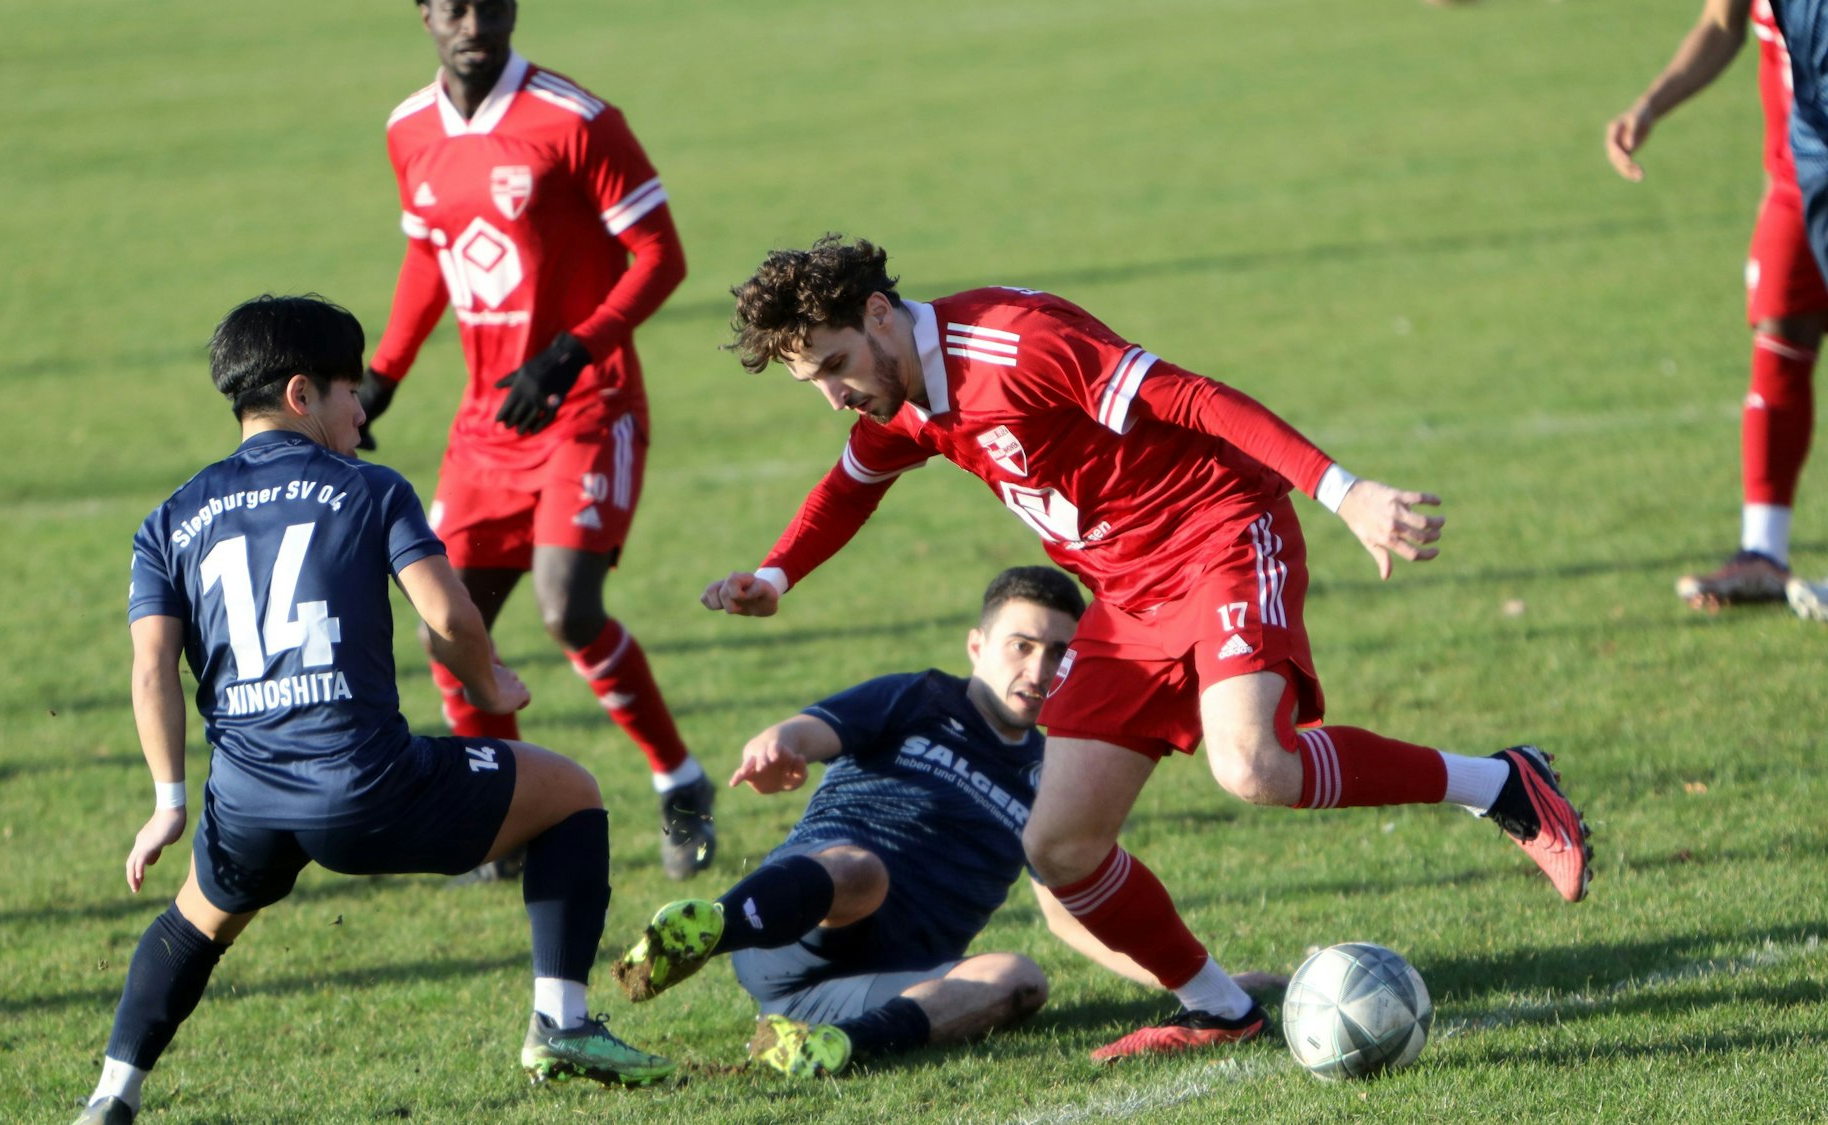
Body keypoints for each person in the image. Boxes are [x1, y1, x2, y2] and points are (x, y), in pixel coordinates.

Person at [700, 235, 1595, 1062]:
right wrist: (775, 576)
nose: (835, 395)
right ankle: (1220, 1009)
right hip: (1128, 598)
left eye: (837, 366)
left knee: (1254, 765)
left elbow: (1195, 398)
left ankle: (1502, 784)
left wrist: (1343, 490)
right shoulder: (905, 400)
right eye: (813, 381)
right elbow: (851, 483)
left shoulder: (1016, 343)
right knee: (1061, 845)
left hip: (1220, 535)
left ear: (880, 315)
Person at [70, 295, 672, 1125]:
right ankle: (561, 1025)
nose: (362, 410)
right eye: (350, 390)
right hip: (369, 787)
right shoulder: (369, 488)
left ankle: (111, 1094)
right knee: (571, 792)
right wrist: (488, 685)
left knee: (193, 921)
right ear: (300, 394)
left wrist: (169, 801)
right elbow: (451, 616)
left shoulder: (169, 519)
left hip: (247, 800)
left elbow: (151, 670)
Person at [615, 567, 1271, 1075]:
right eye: (1021, 646)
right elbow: (804, 732)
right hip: (791, 927)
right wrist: (776, 746)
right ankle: (704, 933)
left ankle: (829, 1045)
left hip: (889, 982)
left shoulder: (1056, 773)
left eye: (1059, 654)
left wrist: (1198, 984)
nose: (1038, 669)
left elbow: (1070, 913)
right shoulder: (919, 696)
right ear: (977, 646)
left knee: (1018, 977)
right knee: (862, 873)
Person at [358, 0, 714, 878]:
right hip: (488, 423)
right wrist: (383, 375)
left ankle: (680, 779)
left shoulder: (576, 121)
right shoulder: (409, 130)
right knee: (450, 629)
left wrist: (570, 353)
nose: (473, 22)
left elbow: (661, 256)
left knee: (567, 609)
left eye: (489, 4)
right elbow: (430, 253)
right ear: (423, 15)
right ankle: (505, 818)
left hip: (589, 404)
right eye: (452, 6)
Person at [1606, 0, 1828, 613]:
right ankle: (1763, 552)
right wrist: (1649, 106)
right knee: (1779, 337)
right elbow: (1721, 23)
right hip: (1795, 180)